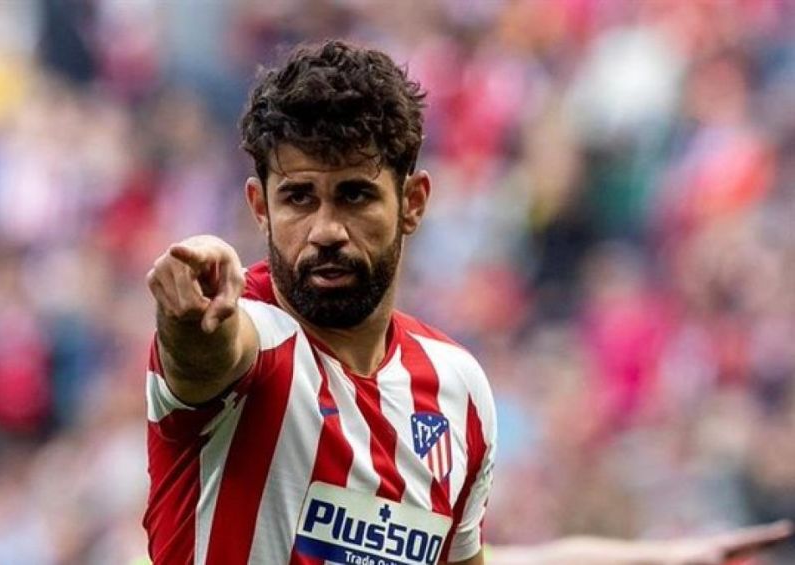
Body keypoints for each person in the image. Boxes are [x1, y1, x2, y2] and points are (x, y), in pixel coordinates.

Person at [143, 40, 792, 565]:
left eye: (355, 195)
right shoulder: (250, 342)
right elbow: (205, 352)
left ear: (413, 203)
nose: (326, 229)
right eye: (298, 198)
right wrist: (188, 307)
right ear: (260, 207)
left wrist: (654, 558)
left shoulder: (456, 388)